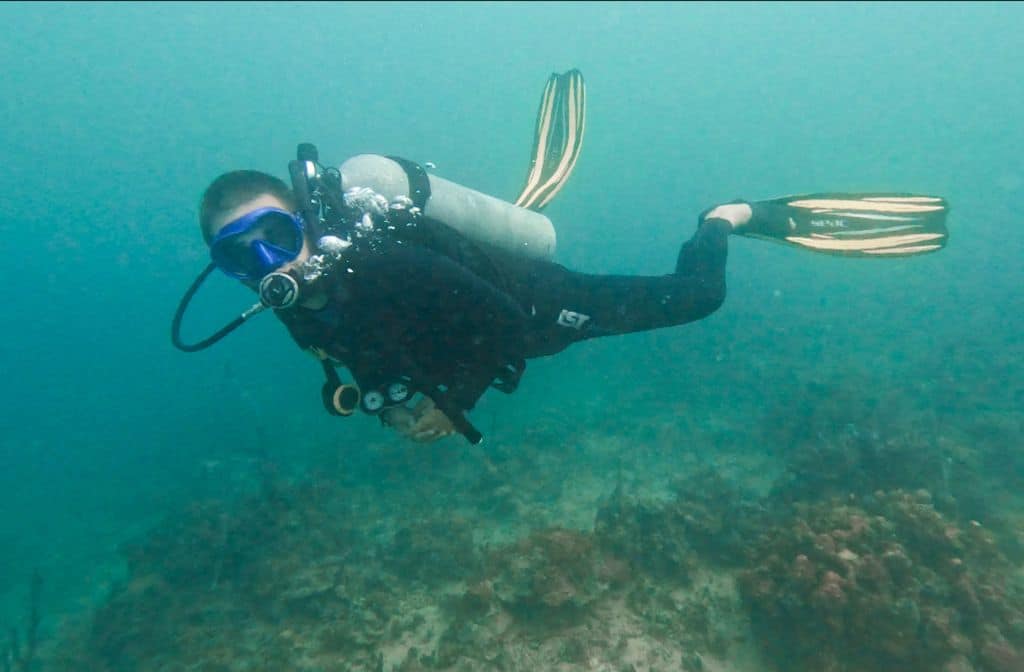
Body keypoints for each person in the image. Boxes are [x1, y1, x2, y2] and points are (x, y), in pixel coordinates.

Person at [173, 71, 949, 445]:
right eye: (240, 255)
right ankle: (521, 212)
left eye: (275, 234)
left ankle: (725, 215)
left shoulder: (376, 262)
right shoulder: (290, 301)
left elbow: (502, 321)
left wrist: (456, 404)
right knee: (510, 245)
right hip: (484, 302)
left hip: (538, 304)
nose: (267, 262)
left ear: (304, 219)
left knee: (697, 298)